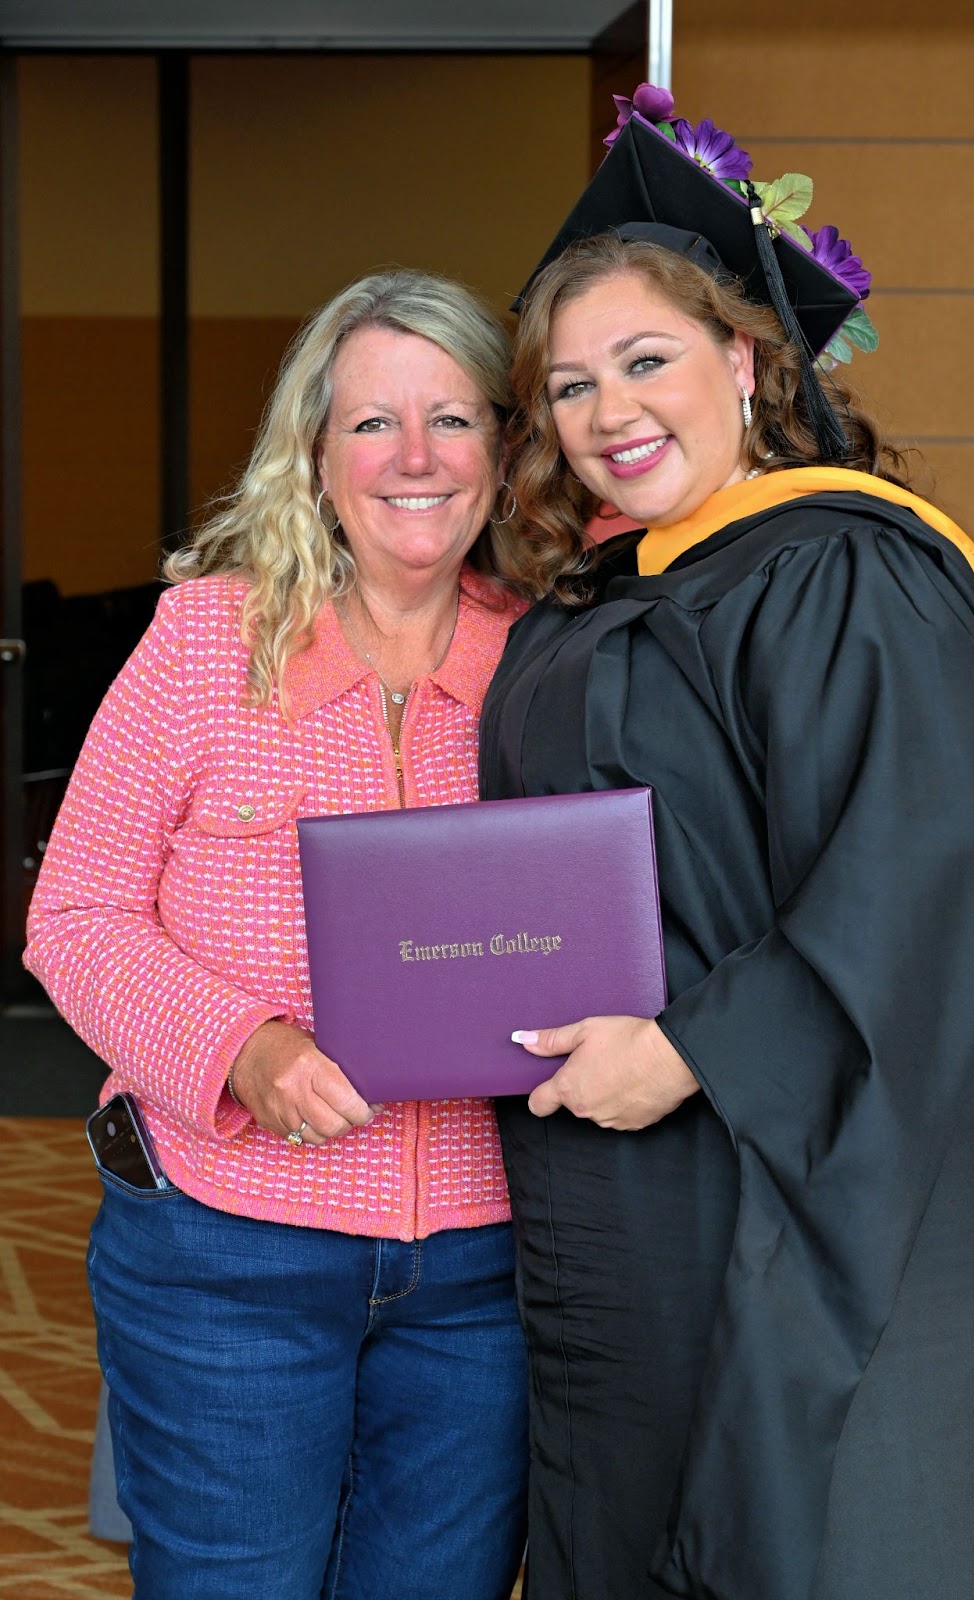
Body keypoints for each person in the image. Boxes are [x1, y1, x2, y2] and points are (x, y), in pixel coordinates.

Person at [481, 89, 974, 1600]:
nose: (607, 411)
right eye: (567, 384)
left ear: (744, 362)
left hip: (844, 1183)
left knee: (821, 1532)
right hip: (642, 1197)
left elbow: (918, 868)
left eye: (646, 359)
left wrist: (684, 1052)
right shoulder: (602, 599)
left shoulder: (841, 568)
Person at [25, 268, 536, 1600]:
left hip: (491, 1260)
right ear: (314, 454)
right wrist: (243, 1048)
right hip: (225, 1243)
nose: (413, 458)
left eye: (452, 418)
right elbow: (74, 915)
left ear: (505, 441)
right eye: (372, 423)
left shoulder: (562, 657)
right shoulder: (206, 640)